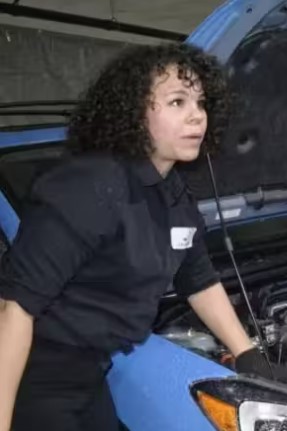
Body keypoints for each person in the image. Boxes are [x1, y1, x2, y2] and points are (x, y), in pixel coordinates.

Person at [0, 43, 273, 431]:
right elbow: (15, 309)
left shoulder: (171, 190)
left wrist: (246, 352)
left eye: (200, 102)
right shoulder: (89, 188)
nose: (197, 116)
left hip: (91, 373)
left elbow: (197, 278)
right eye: (177, 102)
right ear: (133, 111)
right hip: (35, 376)